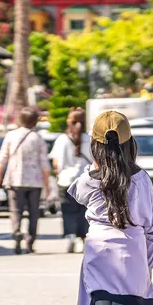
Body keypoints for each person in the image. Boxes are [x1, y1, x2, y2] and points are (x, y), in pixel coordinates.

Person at [69, 111, 153, 305]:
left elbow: (76, 192)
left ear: (95, 146)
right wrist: (149, 266)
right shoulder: (141, 179)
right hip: (131, 255)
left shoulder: (89, 180)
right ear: (130, 143)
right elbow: (149, 226)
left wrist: (93, 166)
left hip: (98, 257)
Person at [0, 106, 53, 254]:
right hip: (35, 181)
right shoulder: (38, 139)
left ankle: (17, 233)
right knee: (33, 213)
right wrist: (47, 185)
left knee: (16, 210)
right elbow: (44, 164)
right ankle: (30, 241)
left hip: (14, 179)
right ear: (35, 121)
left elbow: (2, 158)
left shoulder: (11, 136)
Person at [51, 108, 93, 253]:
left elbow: (57, 163)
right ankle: (83, 238)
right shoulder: (90, 139)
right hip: (86, 181)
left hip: (66, 181)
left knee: (68, 211)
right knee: (84, 211)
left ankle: (70, 237)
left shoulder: (62, 140)